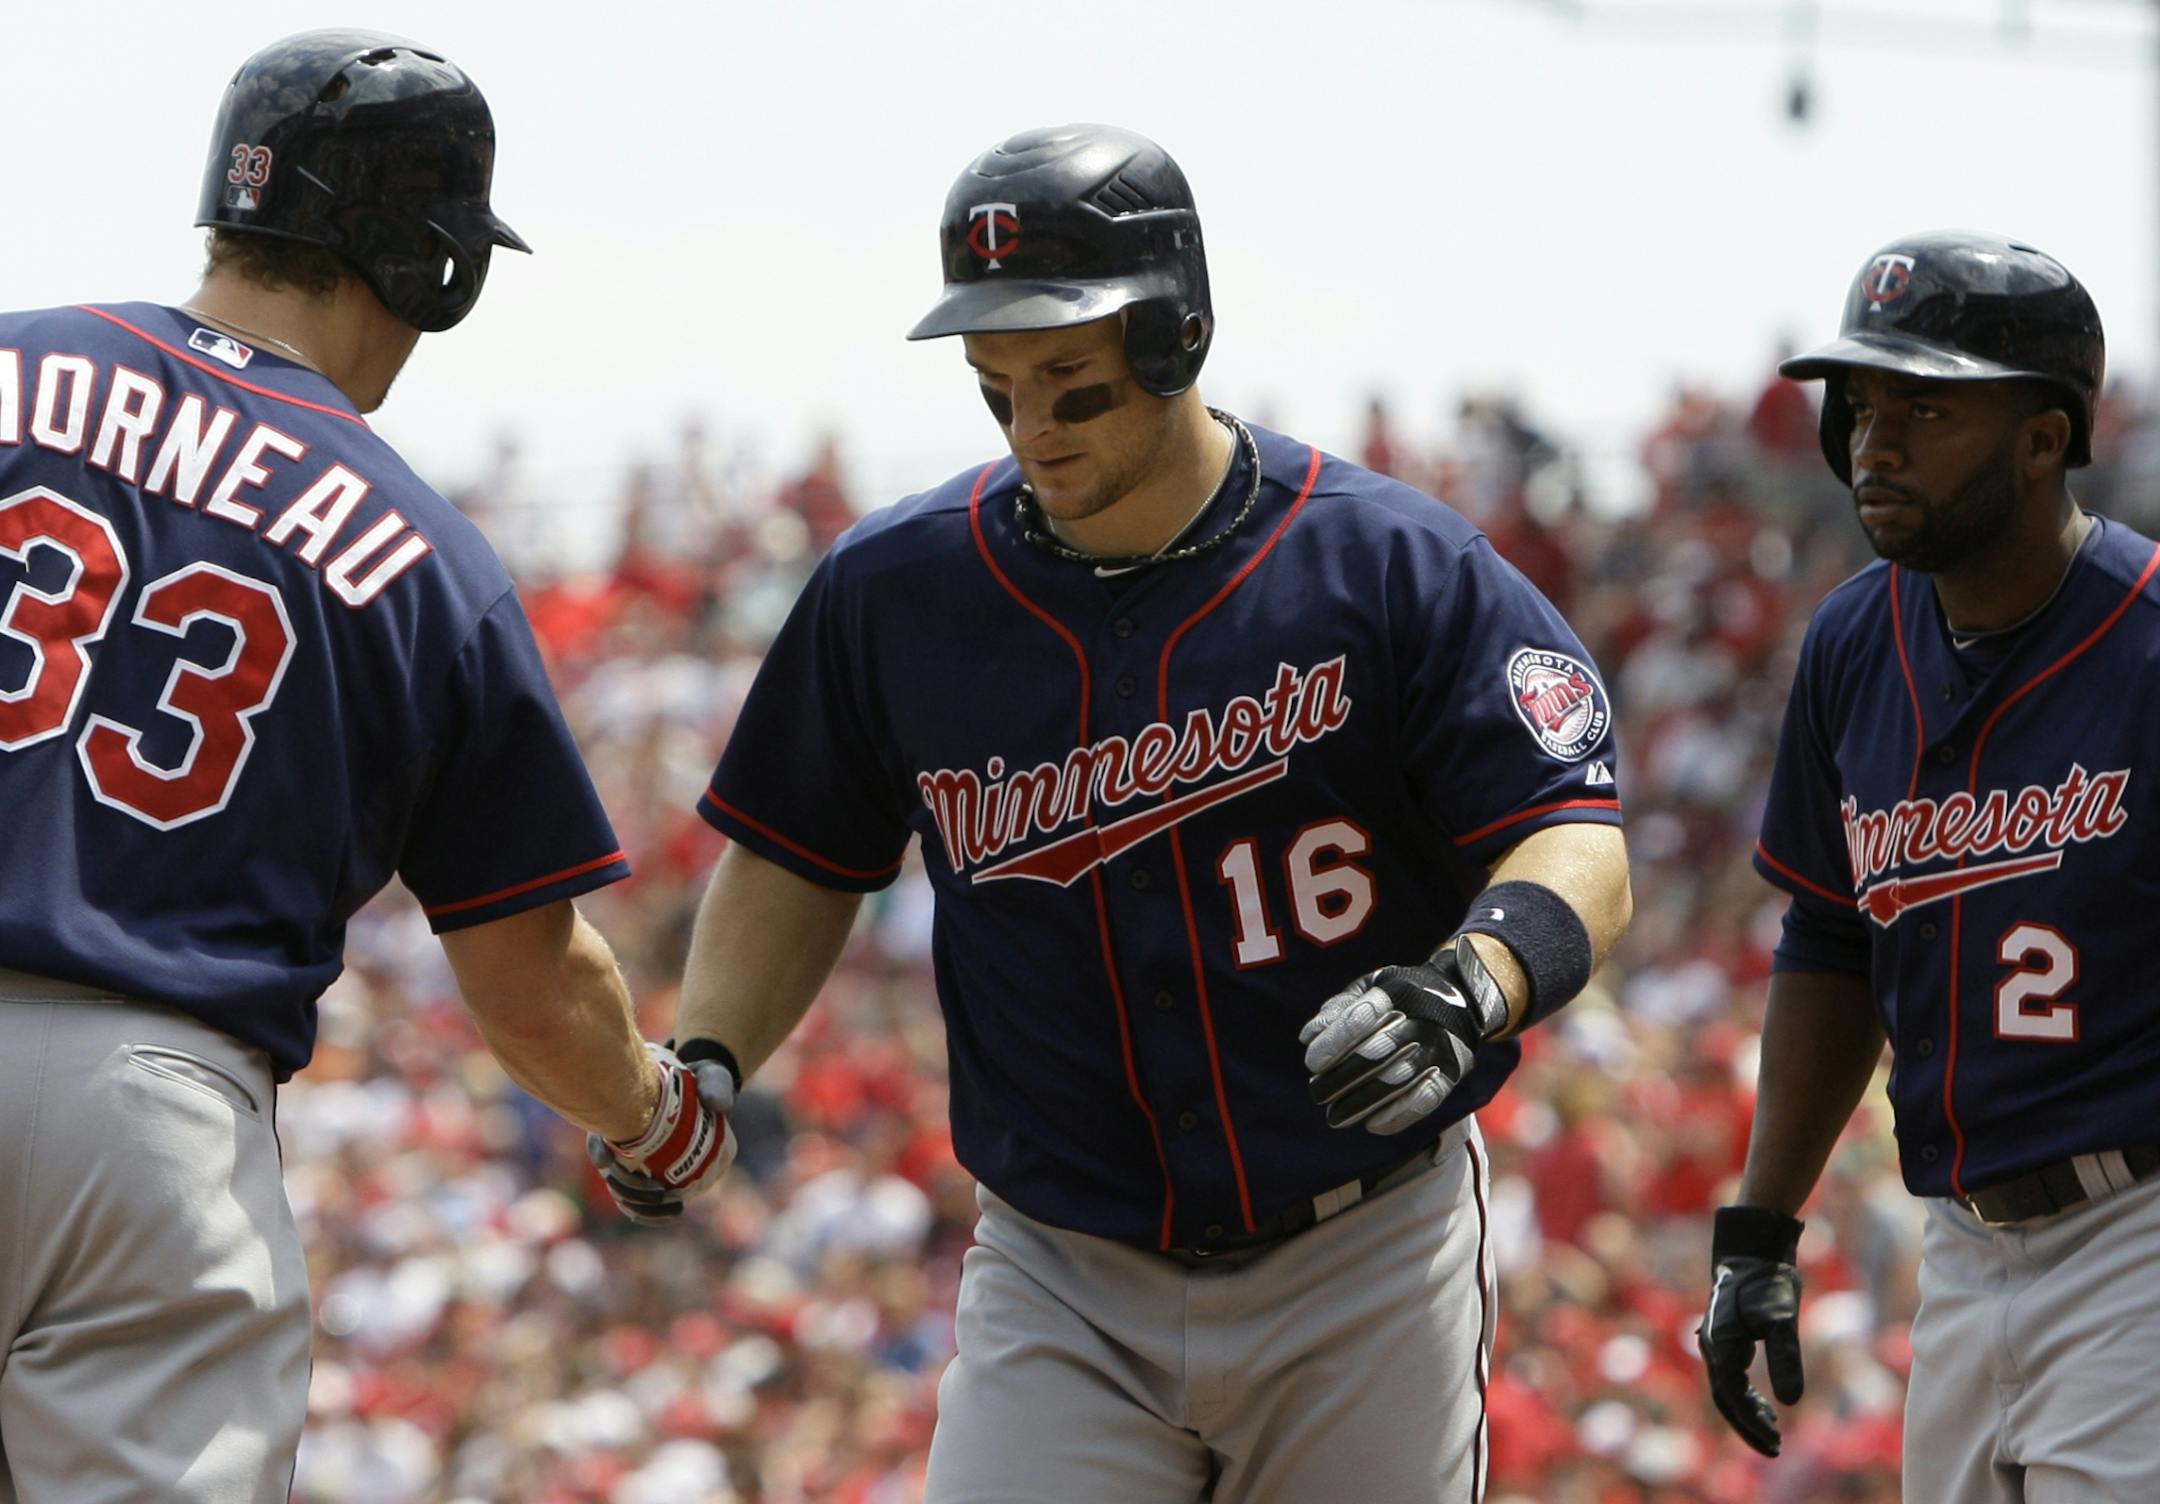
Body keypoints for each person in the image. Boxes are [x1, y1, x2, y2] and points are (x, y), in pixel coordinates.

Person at [594, 123, 1631, 1501]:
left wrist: (1473, 985)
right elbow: (797, 851)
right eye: (997, 387)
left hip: (1361, 1250)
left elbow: (1576, 834)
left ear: (1175, 336)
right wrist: (709, 1052)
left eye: (1071, 384)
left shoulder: (1389, 563)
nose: (1033, 427)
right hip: (1061, 1269)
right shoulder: (896, 589)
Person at [0, 31, 726, 1503]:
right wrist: (657, 1113)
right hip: (143, 1105)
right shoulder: (424, 555)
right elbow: (531, 985)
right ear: (423, 261)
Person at [1696, 231, 2160, 1502]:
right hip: (1960, 1251)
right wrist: (1758, 1233)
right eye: (1861, 401)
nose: (1873, 440)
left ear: (2045, 439)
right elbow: (1832, 942)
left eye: (1927, 404)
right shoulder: (1852, 641)